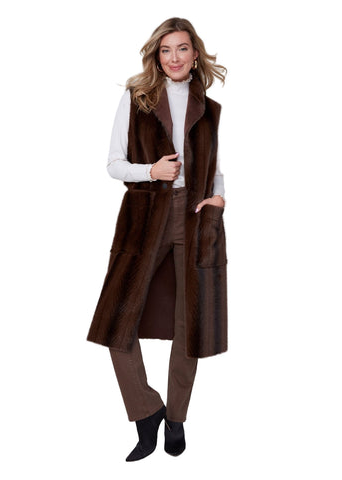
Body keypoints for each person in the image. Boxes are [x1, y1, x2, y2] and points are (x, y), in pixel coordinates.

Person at [87, 17, 228, 461]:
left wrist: (219, 198)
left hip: (195, 215)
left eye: (182, 49)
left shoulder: (210, 108)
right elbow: (114, 164)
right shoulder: (137, 98)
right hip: (146, 215)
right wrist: (152, 170)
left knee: (192, 323)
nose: (174, 58)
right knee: (116, 319)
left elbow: (214, 166)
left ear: (195, 54)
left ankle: (176, 419)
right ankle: (148, 411)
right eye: (166, 50)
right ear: (156, 55)